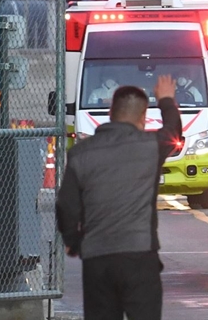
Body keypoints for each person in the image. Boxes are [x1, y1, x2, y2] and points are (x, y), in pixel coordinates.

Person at [56, 75, 181, 320]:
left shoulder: (81, 152)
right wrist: (166, 99)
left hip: (97, 259)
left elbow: (66, 204)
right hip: (139, 256)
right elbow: (173, 131)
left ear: (111, 112)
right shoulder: (150, 146)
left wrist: (74, 240)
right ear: (143, 118)